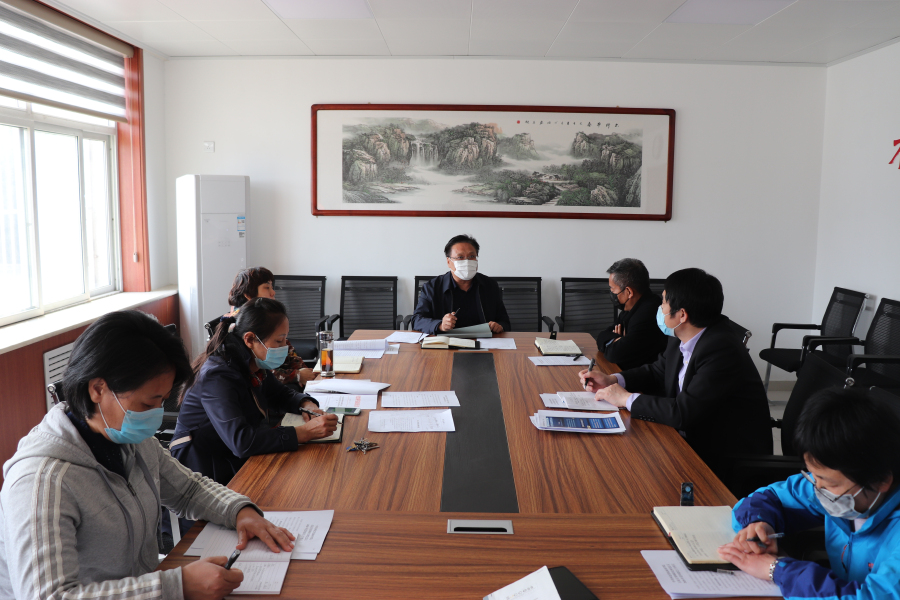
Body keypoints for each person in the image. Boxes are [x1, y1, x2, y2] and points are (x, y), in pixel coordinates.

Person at [0, 310, 296, 600]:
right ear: (98, 389)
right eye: (146, 404)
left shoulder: (128, 439)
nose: (156, 415)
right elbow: (49, 595)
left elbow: (188, 489)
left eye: (162, 401)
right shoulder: (42, 482)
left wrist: (240, 511)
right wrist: (175, 586)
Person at [579, 268, 772, 479]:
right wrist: (613, 379)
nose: (659, 308)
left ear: (682, 314)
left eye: (663, 302)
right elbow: (657, 371)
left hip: (723, 460)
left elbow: (682, 412)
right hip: (689, 439)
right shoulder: (682, 336)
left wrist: (625, 398)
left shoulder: (721, 350)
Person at [718, 388, 900, 600]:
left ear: (881, 480)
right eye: (814, 477)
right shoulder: (837, 488)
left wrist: (777, 570)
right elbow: (769, 497)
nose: (818, 490)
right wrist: (760, 523)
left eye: (829, 483)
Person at [172, 297, 338, 488]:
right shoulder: (217, 376)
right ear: (250, 339)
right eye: (279, 340)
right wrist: (304, 433)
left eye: (285, 339)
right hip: (204, 469)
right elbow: (241, 442)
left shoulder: (251, 361)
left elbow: (278, 394)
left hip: (232, 454)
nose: (284, 347)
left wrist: (306, 404)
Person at [226, 267, 315, 388]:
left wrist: (304, 371)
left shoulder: (268, 316)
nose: (273, 292)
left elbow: (287, 349)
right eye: (267, 288)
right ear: (248, 295)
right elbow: (258, 370)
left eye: (272, 287)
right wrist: (296, 375)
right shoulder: (242, 324)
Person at [412, 234, 511, 335]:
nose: (467, 261)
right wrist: (440, 325)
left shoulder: (490, 285)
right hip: (447, 341)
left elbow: (505, 321)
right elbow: (417, 320)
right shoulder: (432, 287)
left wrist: (499, 326)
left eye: (472, 256)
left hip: (483, 340)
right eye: (460, 257)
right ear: (448, 262)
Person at [595, 258, 668, 370]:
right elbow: (602, 335)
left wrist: (616, 343)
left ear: (629, 292)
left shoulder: (649, 313)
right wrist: (617, 340)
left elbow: (615, 354)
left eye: (613, 289)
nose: (611, 293)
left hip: (643, 377)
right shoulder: (631, 307)